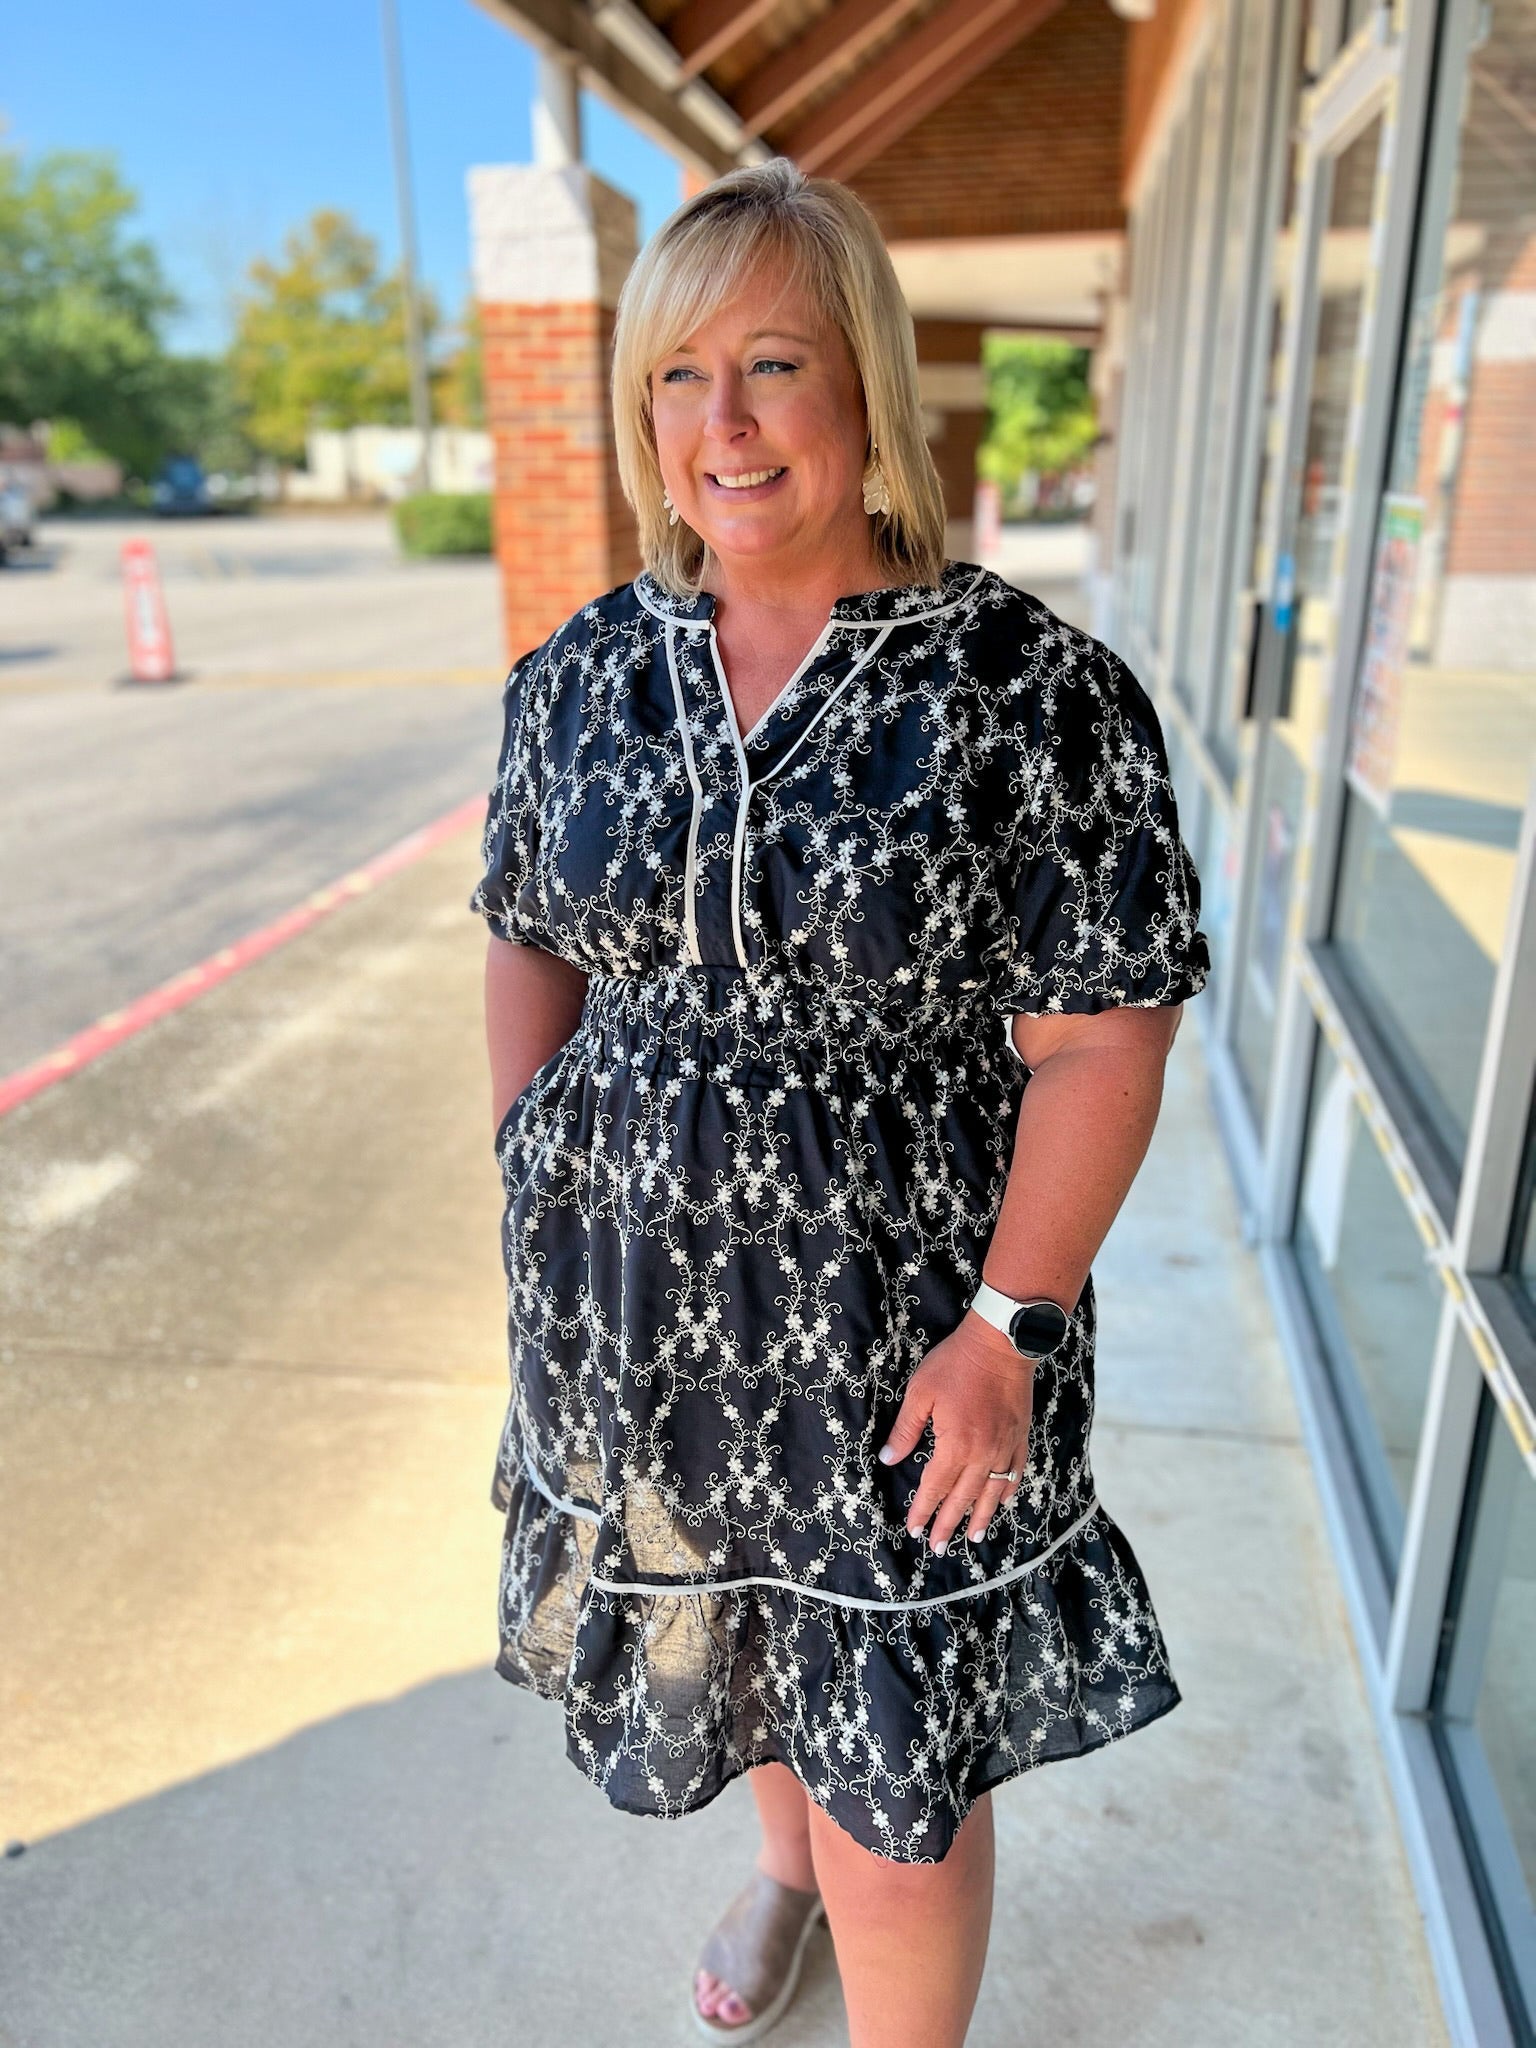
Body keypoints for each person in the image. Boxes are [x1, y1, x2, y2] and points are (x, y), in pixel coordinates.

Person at [470, 157, 1210, 2048]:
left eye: (774, 365)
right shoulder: (580, 678)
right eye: (677, 375)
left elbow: (1102, 1043)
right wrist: (535, 1163)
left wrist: (1009, 1327)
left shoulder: (1029, 694)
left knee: (898, 1779)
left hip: (907, 1340)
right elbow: (527, 934)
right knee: (737, 1667)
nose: (721, 422)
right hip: (637, 1318)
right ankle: (778, 1878)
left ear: (868, 384)